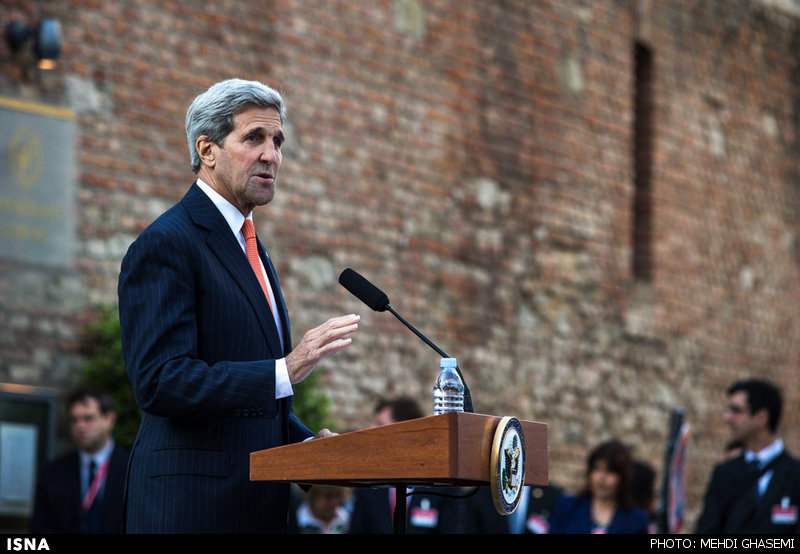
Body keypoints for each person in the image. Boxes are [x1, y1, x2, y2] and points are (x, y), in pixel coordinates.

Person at [117, 78, 360, 533]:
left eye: (277, 141)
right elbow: (159, 381)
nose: (272, 154)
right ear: (207, 150)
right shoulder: (167, 243)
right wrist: (285, 370)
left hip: (254, 510)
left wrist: (309, 449)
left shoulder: (251, 246)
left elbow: (253, 405)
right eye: (254, 138)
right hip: (189, 510)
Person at [348, 396, 467, 533]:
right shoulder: (368, 484)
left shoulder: (443, 485)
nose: (371, 430)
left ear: (405, 431)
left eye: (379, 425)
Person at [695, 378, 800, 533]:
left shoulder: (795, 474)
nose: (727, 418)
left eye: (736, 411)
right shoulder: (724, 473)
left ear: (761, 417)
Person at [30, 387, 129, 534]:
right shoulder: (53, 472)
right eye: (74, 420)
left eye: (88, 418)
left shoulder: (131, 468)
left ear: (109, 419)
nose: (80, 426)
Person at [548, 439, 650, 534]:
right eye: (597, 469)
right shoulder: (567, 506)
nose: (602, 478)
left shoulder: (636, 519)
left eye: (610, 471)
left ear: (622, 477)